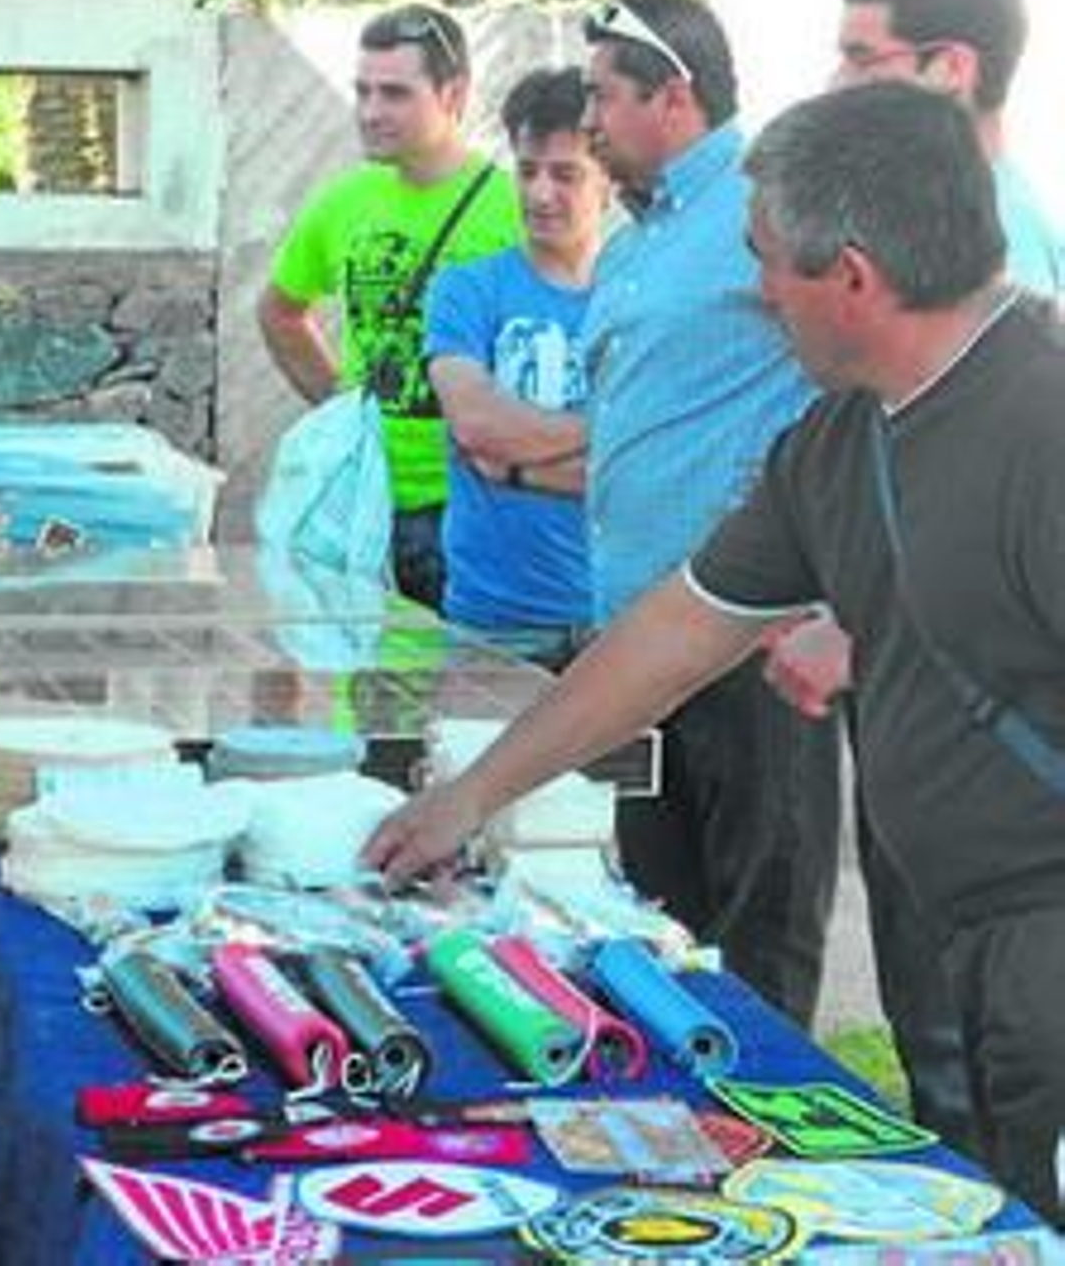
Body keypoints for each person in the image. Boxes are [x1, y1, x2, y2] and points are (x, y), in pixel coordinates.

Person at [366, 80, 1065, 1227]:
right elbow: (676, 631)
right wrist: (472, 794)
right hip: (976, 953)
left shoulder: (1042, 419)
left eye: (767, 260)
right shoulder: (839, 438)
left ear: (850, 276)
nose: (753, 288)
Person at [762, 0, 1065, 1152]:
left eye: (859, 57)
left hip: (1012, 856)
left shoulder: (1001, 253)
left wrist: (863, 614)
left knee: (984, 1087)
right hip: (946, 789)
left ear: (948, 68)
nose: (834, 84)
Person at [573, 0, 839, 1025]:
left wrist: (832, 598)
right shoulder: (634, 242)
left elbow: (861, 385)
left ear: (672, 94)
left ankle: (778, 1153)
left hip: (748, 646)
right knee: (656, 926)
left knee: (759, 932)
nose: (587, 120)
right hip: (635, 649)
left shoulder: (765, 206)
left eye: (603, 96)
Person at [257, 4, 521, 610]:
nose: (372, 112)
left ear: (453, 94)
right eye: (363, 91)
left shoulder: (510, 211)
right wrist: (342, 411)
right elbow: (279, 311)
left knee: (462, 692)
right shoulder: (343, 202)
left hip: (469, 508)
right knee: (366, 690)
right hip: (361, 500)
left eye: (396, 93)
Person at [423, 66, 609, 666]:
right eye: (527, 171)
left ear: (609, 180)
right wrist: (610, 431)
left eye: (565, 174)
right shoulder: (467, 289)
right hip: (494, 623)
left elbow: (650, 469)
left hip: (617, 620)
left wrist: (516, 466)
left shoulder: (641, 296)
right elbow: (476, 426)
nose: (539, 193)